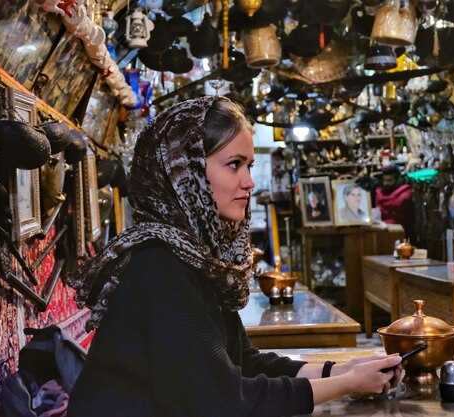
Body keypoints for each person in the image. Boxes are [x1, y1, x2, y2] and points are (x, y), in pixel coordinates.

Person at [66, 97, 402, 417]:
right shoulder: (159, 265)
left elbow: (245, 363)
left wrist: (340, 370)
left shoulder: (194, 256)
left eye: (249, 165)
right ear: (186, 173)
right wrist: (346, 384)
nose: (249, 182)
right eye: (234, 165)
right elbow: (223, 403)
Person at [375, 165, 414, 236]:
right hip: (381, 231)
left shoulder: (405, 194)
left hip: (399, 232)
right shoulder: (379, 192)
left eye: (389, 180)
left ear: (398, 180)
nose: (385, 183)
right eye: (384, 180)